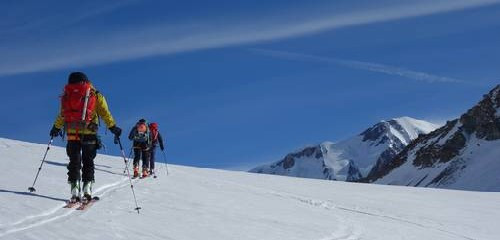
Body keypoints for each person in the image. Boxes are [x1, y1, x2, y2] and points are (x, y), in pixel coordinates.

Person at [50, 72, 122, 202]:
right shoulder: (94, 94)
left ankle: (74, 189)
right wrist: (112, 127)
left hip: (72, 132)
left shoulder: (67, 94)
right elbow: (105, 113)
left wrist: (56, 127)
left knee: (74, 161)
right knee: (88, 161)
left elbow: (62, 114)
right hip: (89, 132)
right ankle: (87, 188)